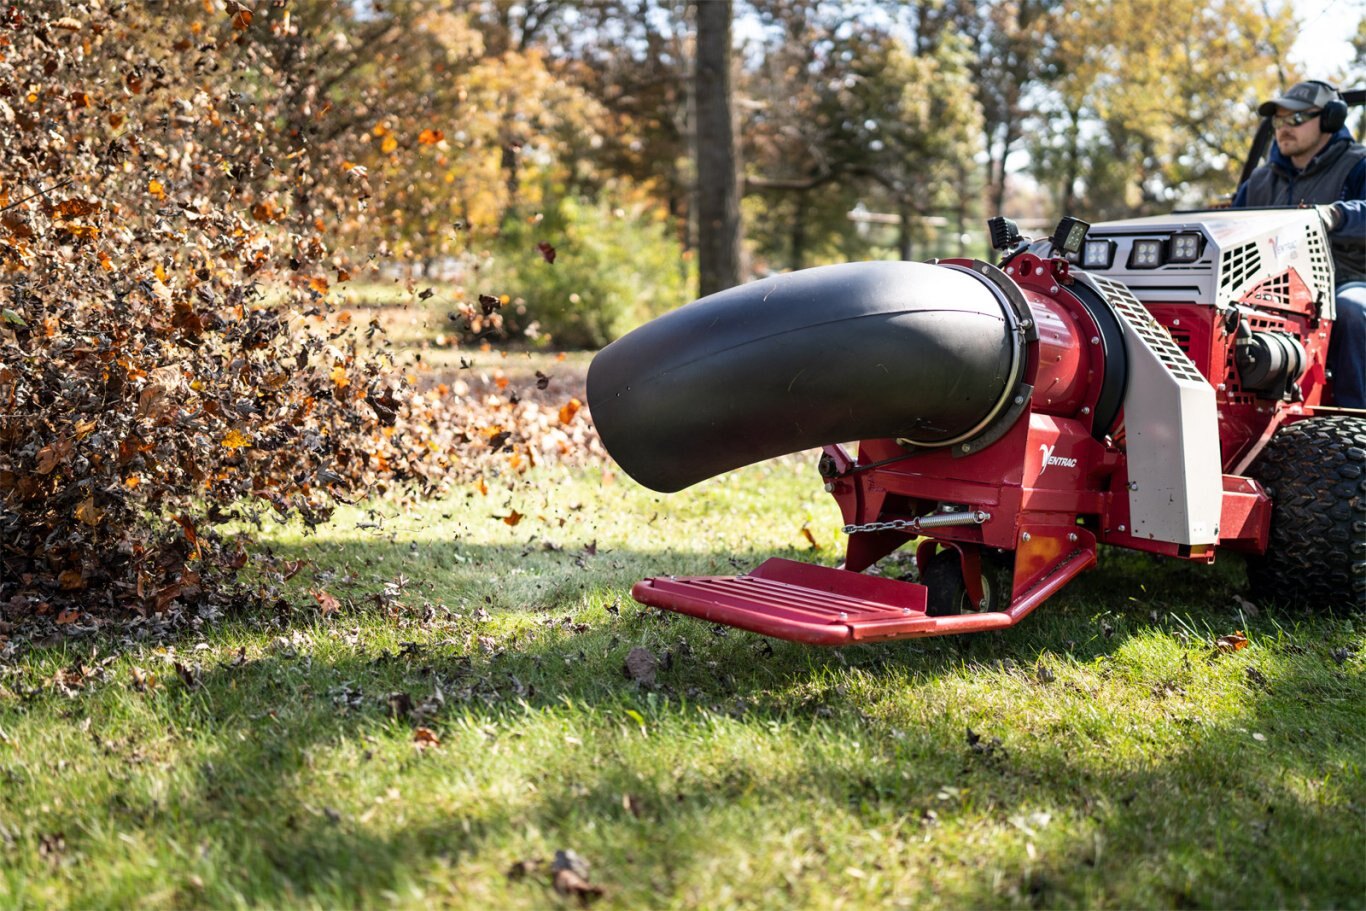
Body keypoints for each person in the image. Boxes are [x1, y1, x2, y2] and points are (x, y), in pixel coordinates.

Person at [1233, 80, 1365, 408]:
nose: (1283, 128)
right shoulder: (1260, 182)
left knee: (1352, 311)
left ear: (1331, 119)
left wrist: (1335, 216)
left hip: (1346, 282)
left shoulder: (1358, 165)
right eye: (1278, 121)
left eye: (1295, 119)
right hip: (1270, 289)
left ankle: (1353, 431)